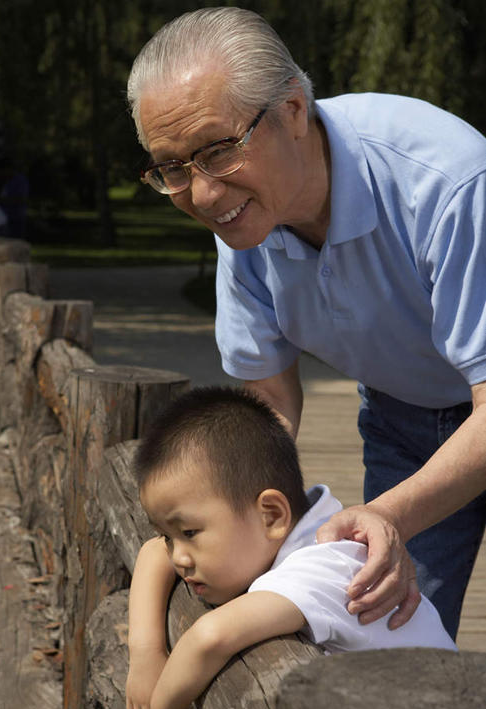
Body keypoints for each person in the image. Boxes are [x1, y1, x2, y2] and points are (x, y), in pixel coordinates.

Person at [126, 7, 486, 640]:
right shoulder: (242, 219)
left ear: (294, 109)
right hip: (404, 416)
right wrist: (211, 519)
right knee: (392, 642)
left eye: (215, 150)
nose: (203, 197)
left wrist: (388, 513)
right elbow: (266, 403)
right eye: (173, 168)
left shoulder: (448, 184)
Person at [127, 386, 456, 709]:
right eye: (170, 535)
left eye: (190, 532)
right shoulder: (300, 531)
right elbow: (151, 552)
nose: (178, 556)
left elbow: (209, 637)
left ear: (271, 515)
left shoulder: (327, 565)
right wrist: (146, 652)